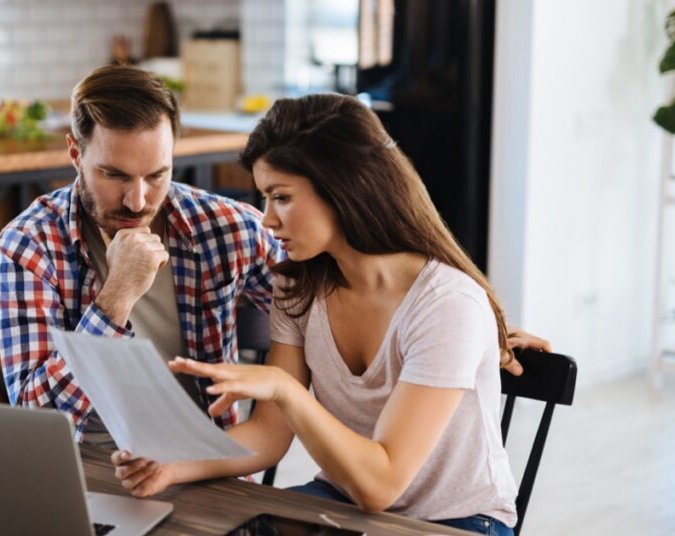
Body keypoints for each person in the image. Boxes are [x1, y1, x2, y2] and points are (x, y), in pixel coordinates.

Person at [111, 94, 550, 535]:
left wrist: (286, 389)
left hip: (457, 522)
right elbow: (268, 436)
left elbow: (381, 484)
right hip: (345, 504)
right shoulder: (299, 285)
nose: (267, 220)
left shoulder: (447, 304)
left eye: (281, 197)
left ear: (344, 187)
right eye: (264, 198)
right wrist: (170, 464)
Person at [0, 65, 283, 444]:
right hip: (85, 468)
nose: (138, 201)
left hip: (206, 465)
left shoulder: (227, 227)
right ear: (75, 154)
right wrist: (115, 299)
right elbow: (36, 419)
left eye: (156, 175)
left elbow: (321, 319)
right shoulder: (29, 245)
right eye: (115, 175)